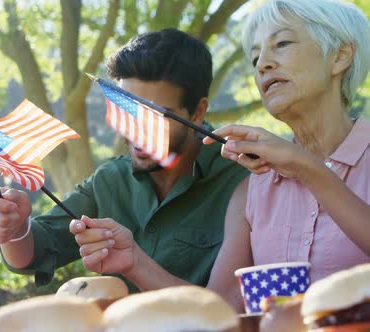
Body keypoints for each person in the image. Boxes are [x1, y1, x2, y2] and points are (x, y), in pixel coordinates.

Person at [72, 0, 370, 313]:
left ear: (340, 55)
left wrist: (307, 168)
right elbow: (221, 311)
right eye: (255, 56)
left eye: (281, 44)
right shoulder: (253, 188)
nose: (262, 64)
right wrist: (133, 260)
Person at [0, 28, 249, 288]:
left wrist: (136, 264)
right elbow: (35, 252)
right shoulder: (110, 180)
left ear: (198, 112)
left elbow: (227, 309)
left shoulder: (245, 178)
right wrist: (13, 228)